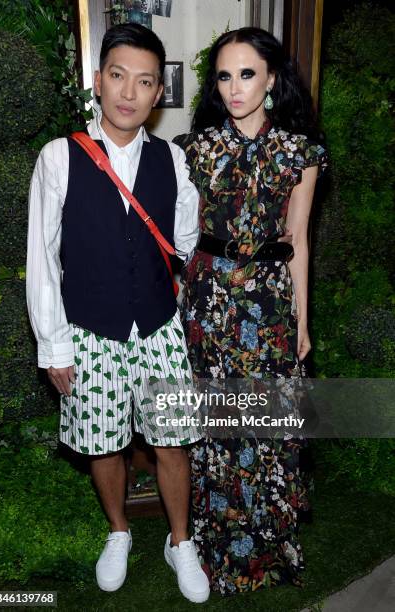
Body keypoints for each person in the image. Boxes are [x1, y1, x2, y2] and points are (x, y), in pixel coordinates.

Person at [26, 23, 209, 604]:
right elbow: (42, 259)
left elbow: (184, 239)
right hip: (89, 331)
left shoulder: (173, 161)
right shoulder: (59, 158)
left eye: (145, 82)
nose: (129, 92)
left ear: (158, 95)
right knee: (103, 444)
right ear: (98, 80)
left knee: (173, 444)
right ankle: (120, 530)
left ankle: (181, 541)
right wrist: (53, 346)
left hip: (157, 328)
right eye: (118, 75)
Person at [175, 27, 327, 595]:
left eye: (246, 73)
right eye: (223, 75)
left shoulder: (300, 152)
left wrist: (303, 321)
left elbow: (300, 241)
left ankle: (271, 549)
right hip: (209, 299)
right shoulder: (194, 149)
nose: (235, 87)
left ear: (269, 79)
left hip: (268, 303)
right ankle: (213, 550)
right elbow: (179, 237)